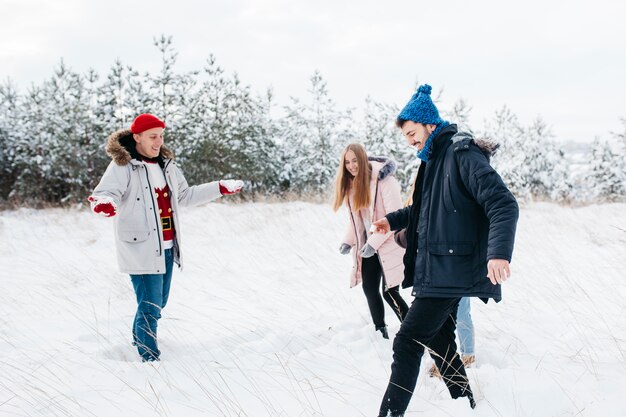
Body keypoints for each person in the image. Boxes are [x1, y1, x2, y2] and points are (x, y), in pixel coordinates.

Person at [373, 85, 519, 416]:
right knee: (439, 339)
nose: (410, 141)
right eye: (406, 136)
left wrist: (498, 253)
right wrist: (391, 220)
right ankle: (464, 403)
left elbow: (502, 203)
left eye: (412, 133)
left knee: (406, 342)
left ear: (429, 124)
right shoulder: (434, 162)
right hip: (437, 267)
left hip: (448, 270)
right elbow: (422, 211)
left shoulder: (460, 153)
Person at [88, 113, 243, 362]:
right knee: (150, 306)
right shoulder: (123, 165)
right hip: (141, 246)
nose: (158, 141)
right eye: (152, 136)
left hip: (168, 246)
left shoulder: (167, 165)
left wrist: (219, 188)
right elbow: (106, 192)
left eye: (161, 136)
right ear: (137, 137)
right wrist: (104, 203)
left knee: (157, 303)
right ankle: (150, 357)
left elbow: (184, 196)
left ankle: (138, 340)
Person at [332, 144, 409, 339]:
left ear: (363, 158)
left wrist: (373, 243)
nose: (351, 166)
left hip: (388, 243)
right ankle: (379, 331)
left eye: (355, 160)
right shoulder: (353, 185)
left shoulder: (384, 180)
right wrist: (348, 241)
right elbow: (358, 221)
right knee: (369, 287)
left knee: (390, 292)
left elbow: (395, 216)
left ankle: (413, 332)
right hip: (368, 246)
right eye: (347, 162)